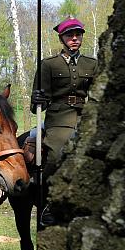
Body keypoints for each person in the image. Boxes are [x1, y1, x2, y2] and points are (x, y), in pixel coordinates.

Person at [30, 17, 97, 225]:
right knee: (57, 154)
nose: (74, 38)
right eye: (69, 35)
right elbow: (35, 107)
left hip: (85, 116)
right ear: (62, 39)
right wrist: (38, 99)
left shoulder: (92, 64)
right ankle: (49, 203)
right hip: (59, 117)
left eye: (78, 35)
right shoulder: (49, 64)